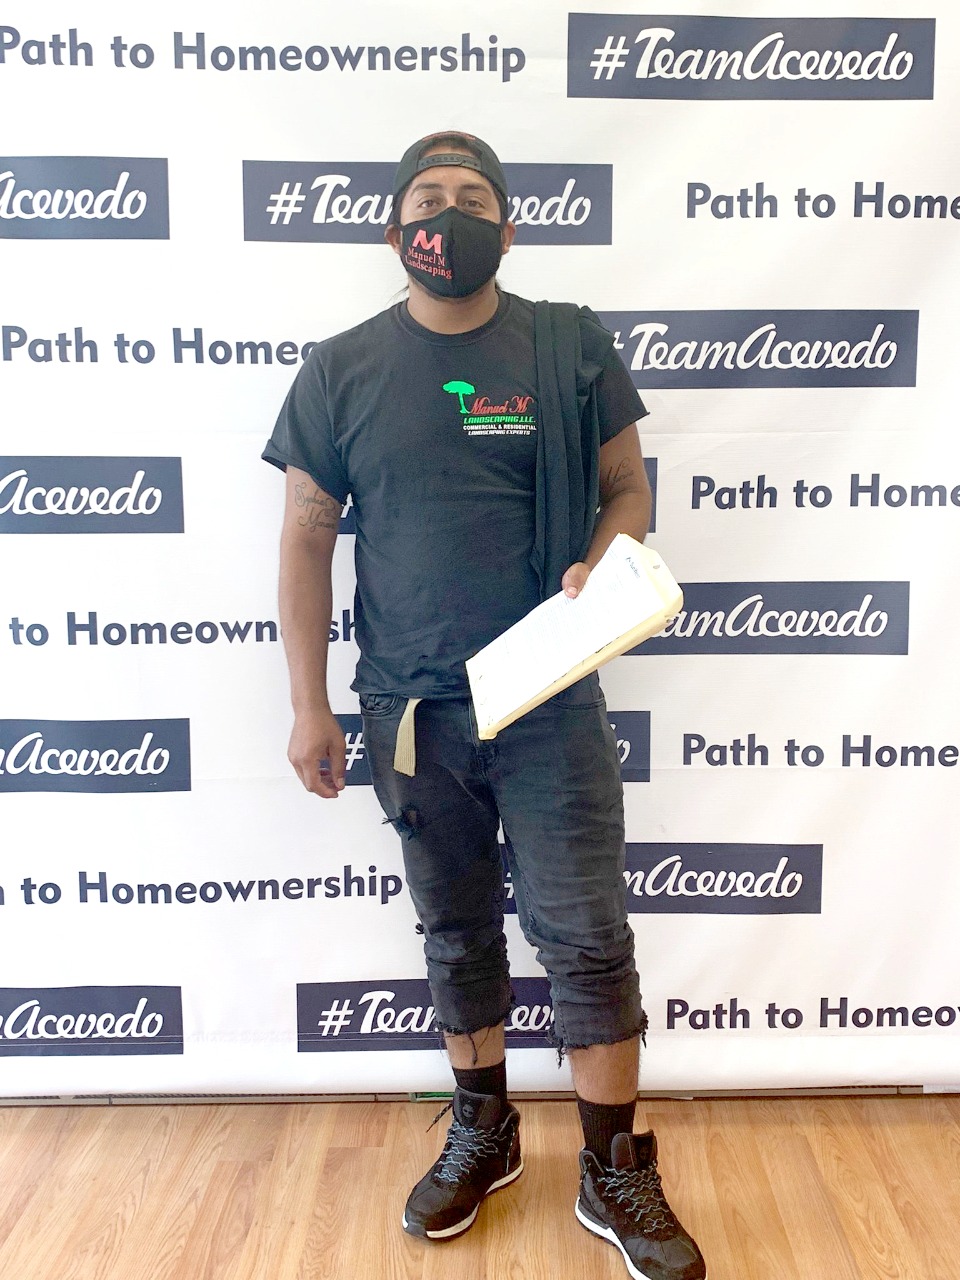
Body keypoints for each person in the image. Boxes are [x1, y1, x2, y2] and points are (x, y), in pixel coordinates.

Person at [263, 130, 707, 1280]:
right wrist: (309, 704)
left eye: (472, 198)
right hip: (412, 708)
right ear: (394, 229)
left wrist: (606, 558)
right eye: (428, 198)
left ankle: (613, 1165)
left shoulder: (568, 343)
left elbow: (628, 489)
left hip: (549, 695)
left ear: (507, 228)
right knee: (454, 929)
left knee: (587, 936)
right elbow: (306, 538)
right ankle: (486, 1126)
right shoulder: (340, 367)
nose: (447, 214)